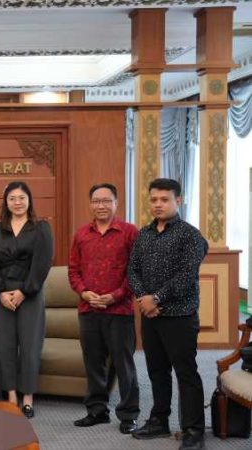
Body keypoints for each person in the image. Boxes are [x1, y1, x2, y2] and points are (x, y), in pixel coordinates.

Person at [128, 178, 208, 450]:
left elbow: (186, 275)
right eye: (154, 200)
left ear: (178, 201)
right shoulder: (144, 234)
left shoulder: (190, 235)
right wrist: (144, 298)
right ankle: (159, 420)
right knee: (157, 371)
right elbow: (132, 270)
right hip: (150, 316)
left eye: (164, 199)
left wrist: (157, 298)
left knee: (186, 374)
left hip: (180, 316)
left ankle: (194, 430)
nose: (158, 204)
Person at [68, 183, 140, 433]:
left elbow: (135, 271)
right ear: (91, 204)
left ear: (116, 203)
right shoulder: (81, 234)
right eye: (96, 201)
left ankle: (129, 415)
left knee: (124, 365)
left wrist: (115, 296)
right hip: (88, 310)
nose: (101, 205)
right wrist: (84, 293)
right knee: (93, 363)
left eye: (106, 201)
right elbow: (73, 270)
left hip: (119, 311)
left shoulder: (129, 232)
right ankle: (97, 411)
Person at [0, 181, 53, 418]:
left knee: (30, 346)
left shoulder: (41, 228)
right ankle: (11, 395)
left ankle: (27, 397)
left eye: (21, 198)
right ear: (6, 202)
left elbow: (42, 263)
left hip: (30, 295)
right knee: (4, 346)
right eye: (12, 198)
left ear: (29, 200)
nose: (17, 202)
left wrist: (24, 291)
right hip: (3, 296)